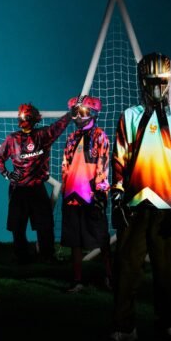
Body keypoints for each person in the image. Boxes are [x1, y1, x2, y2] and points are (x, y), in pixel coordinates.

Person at [110, 52, 171, 341]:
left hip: (170, 206)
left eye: (162, 81)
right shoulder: (130, 116)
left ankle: (168, 322)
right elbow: (119, 160)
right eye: (150, 81)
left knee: (170, 273)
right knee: (126, 271)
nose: (156, 87)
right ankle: (125, 326)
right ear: (142, 82)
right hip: (135, 206)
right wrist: (117, 196)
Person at [0, 102, 72, 264]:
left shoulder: (43, 135)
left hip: (37, 188)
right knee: (17, 226)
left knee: (45, 225)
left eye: (27, 117)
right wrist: (6, 174)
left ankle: (47, 256)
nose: (24, 119)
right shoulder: (12, 139)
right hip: (18, 189)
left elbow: (59, 125)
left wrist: (71, 113)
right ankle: (22, 257)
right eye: (22, 116)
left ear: (35, 119)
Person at [59, 95, 112, 293]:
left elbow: (103, 164)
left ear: (93, 114)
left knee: (101, 239)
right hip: (72, 196)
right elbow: (65, 166)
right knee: (75, 241)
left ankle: (109, 277)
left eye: (84, 112)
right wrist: (65, 190)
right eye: (76, 112)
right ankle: (77, 280)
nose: (79, 116)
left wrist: (100, 192)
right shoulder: (72, 137)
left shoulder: (100, 135)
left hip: (92, 196)